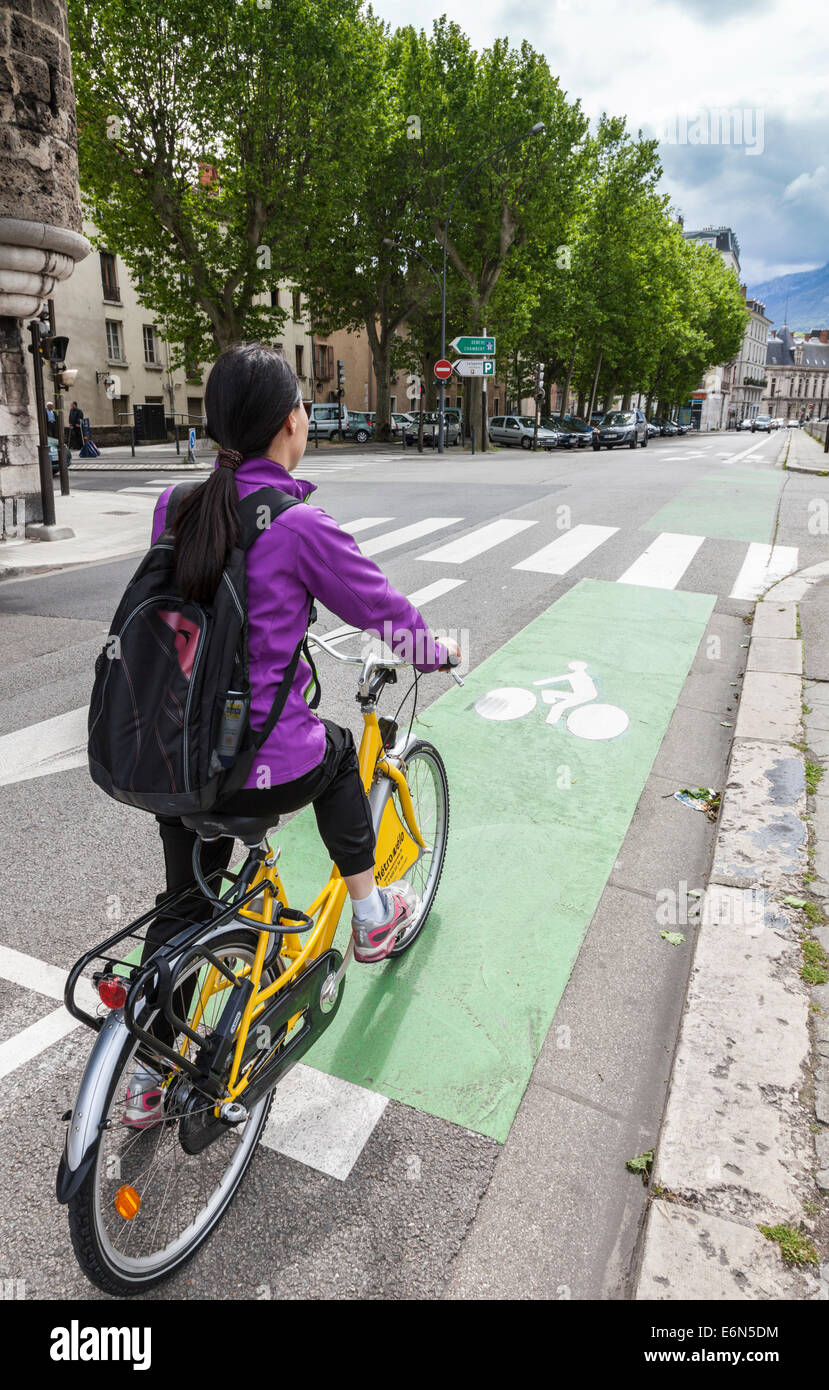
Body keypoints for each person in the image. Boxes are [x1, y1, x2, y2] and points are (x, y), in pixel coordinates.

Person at [123, 343, 459, 1126]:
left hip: (171, 753)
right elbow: (380, 610)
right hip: (253, 762)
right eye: (302, 408)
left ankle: (143, 1078)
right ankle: (375, 919)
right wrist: (434, 651)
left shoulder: (176, 506)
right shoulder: (298, 523)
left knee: (185, 905)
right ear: (288, 426)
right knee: (340, 757)